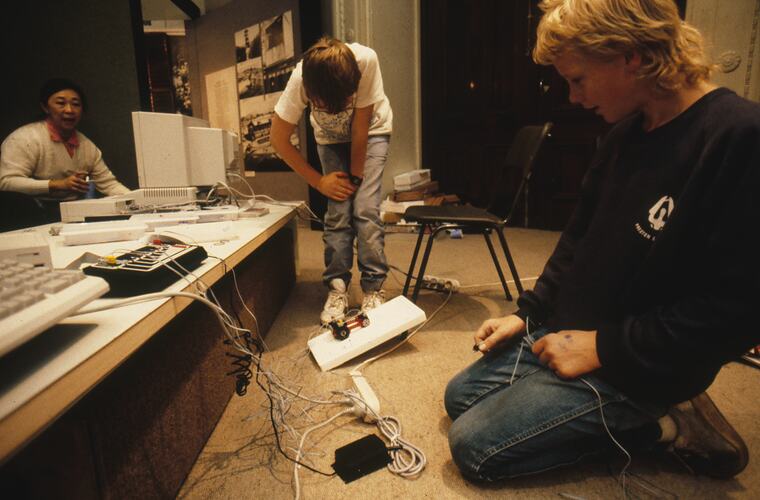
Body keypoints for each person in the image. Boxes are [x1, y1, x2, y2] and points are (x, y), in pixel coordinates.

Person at [445, 0, 758, 483]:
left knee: (475, 447)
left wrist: (605, 349)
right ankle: (618, 405)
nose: (572, 97)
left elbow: (735, 311)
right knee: (459, 397)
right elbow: (577, 242)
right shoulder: (623, 134)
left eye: (577, 79)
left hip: (639, 361)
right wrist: (526, 313)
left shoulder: (738, 137)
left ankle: (666, 424)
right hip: (576, 332)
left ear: (630, 56)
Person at [270, 37, 392, 324]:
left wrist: (356, 177)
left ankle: (374, 288)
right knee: (338, 213)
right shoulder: (301, 78)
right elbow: (278, 139)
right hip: (329, 139)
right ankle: (337, 287)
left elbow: (360, 130)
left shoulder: (366, 61)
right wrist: (319, 182)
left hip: (372, 133)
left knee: (364, 208)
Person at [0, 78, 130, 219]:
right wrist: (57, 184)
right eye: (61, 103)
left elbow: (109, 185)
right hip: (30, 214)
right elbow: (6, 182)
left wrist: (139, 201)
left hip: (74, 213)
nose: (69, 110)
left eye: (76, 104)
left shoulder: (87, 145)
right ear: (45, 107)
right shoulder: (25, 138)